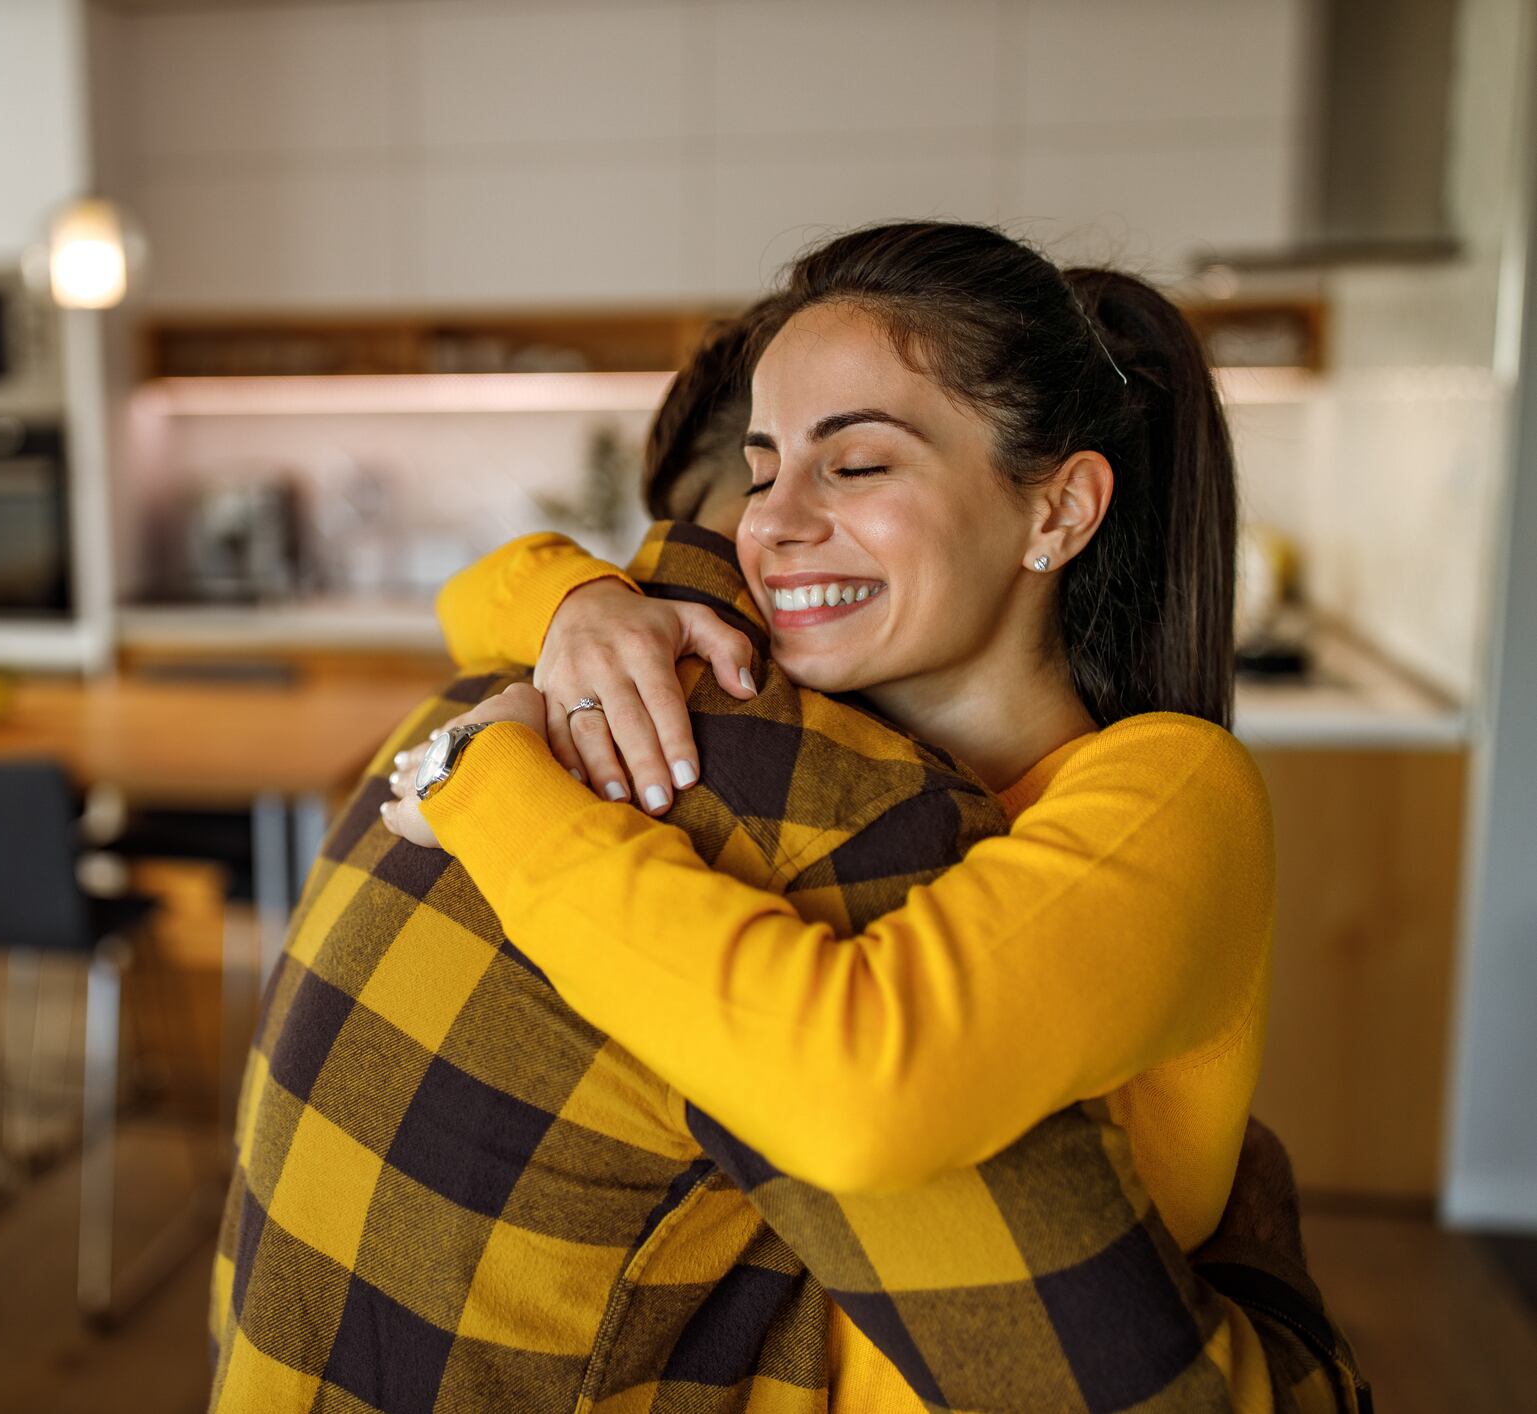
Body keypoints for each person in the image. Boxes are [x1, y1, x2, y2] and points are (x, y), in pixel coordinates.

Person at [214, 247, 1361, 1412]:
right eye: (764, 473)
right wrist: (581, 602)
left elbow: (865, 1084)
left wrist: (488, 784)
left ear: (1056, 510)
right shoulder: (816, 752)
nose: (776, 525)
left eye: (856, 463)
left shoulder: (1167, 790)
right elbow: (478, 601)